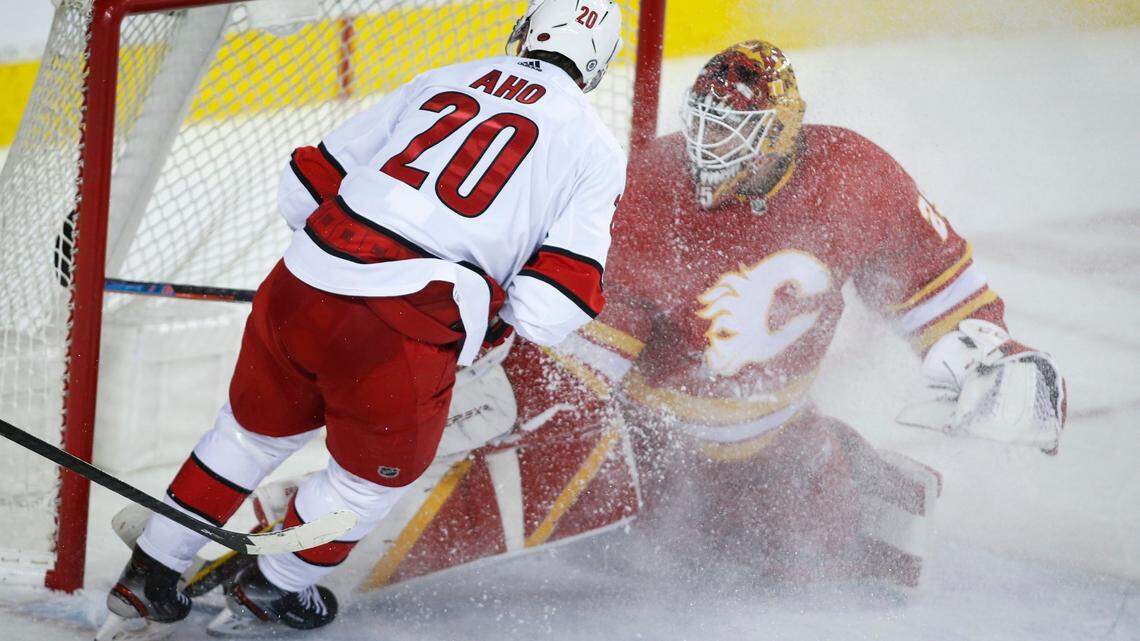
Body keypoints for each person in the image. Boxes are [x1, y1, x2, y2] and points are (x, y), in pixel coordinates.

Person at [98, 1, 627, 637]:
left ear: (525, 31)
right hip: (403, 331)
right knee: (364, 487)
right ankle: (273, 586)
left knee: (246, 436)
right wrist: (484, 312)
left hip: (299, 284)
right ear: (599, 64)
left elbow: (303, 185)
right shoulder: (594, 145)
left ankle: (150, 570)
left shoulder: (446, 76)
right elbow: (549, 309)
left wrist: (347, 267)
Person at [500, 40, 1068, 585]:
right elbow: (584, 364)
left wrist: (993, 356)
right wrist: (513, 402)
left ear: (779, 133)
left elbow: (932, 281)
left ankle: (851, 467)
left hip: (780, 439)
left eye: (728, 132)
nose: (704, 146)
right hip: (653, 448)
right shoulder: (646, 190)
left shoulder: (852, 175)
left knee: (834, 564)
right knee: (643, 560)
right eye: (701, 122)